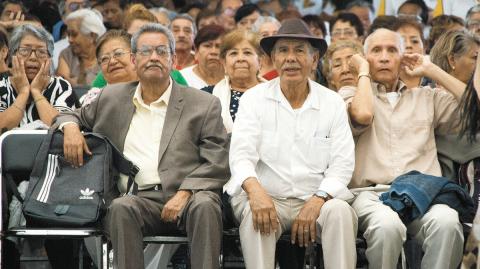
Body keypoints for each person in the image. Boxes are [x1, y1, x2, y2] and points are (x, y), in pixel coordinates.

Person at [54, 23, 229, 269]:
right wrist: (71, 128)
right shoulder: (110, 98)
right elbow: (67, 115)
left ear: (174, 59)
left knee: (207, 205)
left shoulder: (203, 104)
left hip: (189, 196)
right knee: (121, 207)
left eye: (161, 51)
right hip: (138, 199)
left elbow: (218, 160)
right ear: (134, 60)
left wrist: (185, 192)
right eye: (146, 52)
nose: (154, 57)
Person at [227, 18, 357, 269]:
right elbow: (241, 155)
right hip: (267, 196)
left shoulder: (332, 103)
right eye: (283, 51)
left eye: (299, 50)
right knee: (256, 215)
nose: (291, 58)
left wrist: (318, 199)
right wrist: (255, 192)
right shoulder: (253, 99)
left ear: (315, 59)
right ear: (273, 59)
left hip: (316, 199)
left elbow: (342, 165)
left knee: (339, 212)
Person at [339, 28, 468, 269]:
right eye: (376, 51)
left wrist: (431, 69)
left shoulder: (426, 97)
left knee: (448, 222)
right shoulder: (350, 94)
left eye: (392, 50)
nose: (385, 57)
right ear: (365, 58)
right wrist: (363, 73)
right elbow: (363, 115)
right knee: (387, 226)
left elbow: (474, 106)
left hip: (423, 193)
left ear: (403, 58)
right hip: (372, 194)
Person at [0, 24, 79, 132]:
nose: (33, 57)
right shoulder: (2, 86)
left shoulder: (61, 86)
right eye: (25, 50)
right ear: (13, 55)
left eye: (41, 52)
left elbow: (63, 129)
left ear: (50, 59)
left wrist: (36, 92)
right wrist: (23, 93)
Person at [201, 29, 264, 133]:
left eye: (247, 53)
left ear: (260, 61)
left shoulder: (276, 94)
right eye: (233, 53)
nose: (240, 58)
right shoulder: (207, 96)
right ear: (224, 62)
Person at [81, 30, 136, 105]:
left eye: (118, 53)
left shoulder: (151, 91)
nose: (112, 61)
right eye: (105, 59)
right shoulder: (94, 100)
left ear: (135, 56)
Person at [56, 8, 106, 87]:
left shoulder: (106, 55)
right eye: (68, 34)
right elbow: (63, 85)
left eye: (74, 34)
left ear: (92, 36)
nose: (69, 40)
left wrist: (75, 82)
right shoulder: (67, 54)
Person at [180, 25, 225, 90]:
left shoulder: (233, 78)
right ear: (196, 51)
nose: (214, 52)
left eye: (218, 46)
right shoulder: (182, 78)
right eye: (207, 46)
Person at [394, 18, 426, 88]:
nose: (408, 45)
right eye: (402, 42)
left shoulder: (435, 82)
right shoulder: (384, 84)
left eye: (414, 41)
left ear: (424, 49)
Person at [252, 16, 281, 80]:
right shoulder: (251, 63)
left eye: (275, 34)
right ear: (255, 39)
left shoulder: (286, 63)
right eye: (265, 35)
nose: (271, 38)